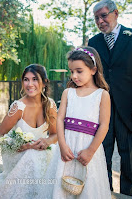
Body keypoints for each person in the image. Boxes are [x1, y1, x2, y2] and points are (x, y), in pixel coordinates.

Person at [88, 0, 132, 196]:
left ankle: (126, 196)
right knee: (101, 156)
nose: (100, 21)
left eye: (103, 15)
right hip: (101, 110)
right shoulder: (94, 42)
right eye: (96, 18)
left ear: (116, 13)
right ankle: (105, 193)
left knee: (128, 159)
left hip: (130, 109)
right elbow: (91, 75)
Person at [44, 46, 111, 198]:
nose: (74, 76)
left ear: (93, 70)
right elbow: (59, 119)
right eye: (71, 71)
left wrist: (90, 151)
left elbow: (104, 125)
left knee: (87, 186)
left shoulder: (102, 95)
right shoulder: (69, 93)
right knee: (61, 185)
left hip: (88, 148)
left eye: (79, 71)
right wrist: (62, 145)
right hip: (67, 146)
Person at [0, 64, 58, 199]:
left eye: (35, 79)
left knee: (54, 155)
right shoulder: (18, 107)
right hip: (18, 152)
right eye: (26, 79)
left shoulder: (50, 105)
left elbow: (55, 134)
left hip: (41, 149)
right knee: (32, 155)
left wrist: (47, 141)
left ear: (44, 83)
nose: (30, 84)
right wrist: (26, 146)